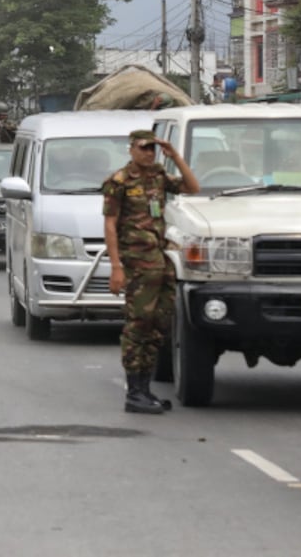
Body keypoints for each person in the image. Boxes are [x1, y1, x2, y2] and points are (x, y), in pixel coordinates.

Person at [102, 129, 199, 415]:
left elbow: (193, 188)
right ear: (131, 149)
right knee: (137, 326)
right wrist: (116, 267)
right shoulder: (118, 182)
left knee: (159, 325)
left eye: (152, 149)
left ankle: (146, 389)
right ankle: (134, 392)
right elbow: (110, 225)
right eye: (144, 148)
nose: (148, 153)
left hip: (159, 260)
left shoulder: (158, 176)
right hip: (135, 264)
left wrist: (176, 157)